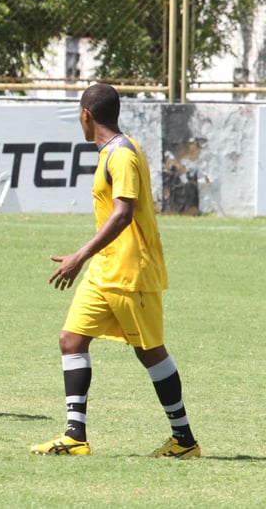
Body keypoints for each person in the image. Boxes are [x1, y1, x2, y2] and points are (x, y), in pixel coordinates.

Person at [30, 83, 199, 458]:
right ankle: (75, 437)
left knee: (150, 351)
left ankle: (184, 440)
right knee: (71, 340)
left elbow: (124, 212)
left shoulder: (121, 154)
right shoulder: (112, 150)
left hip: (130, 271)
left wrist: (80, 255)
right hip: (106, 270)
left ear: (86, 115)